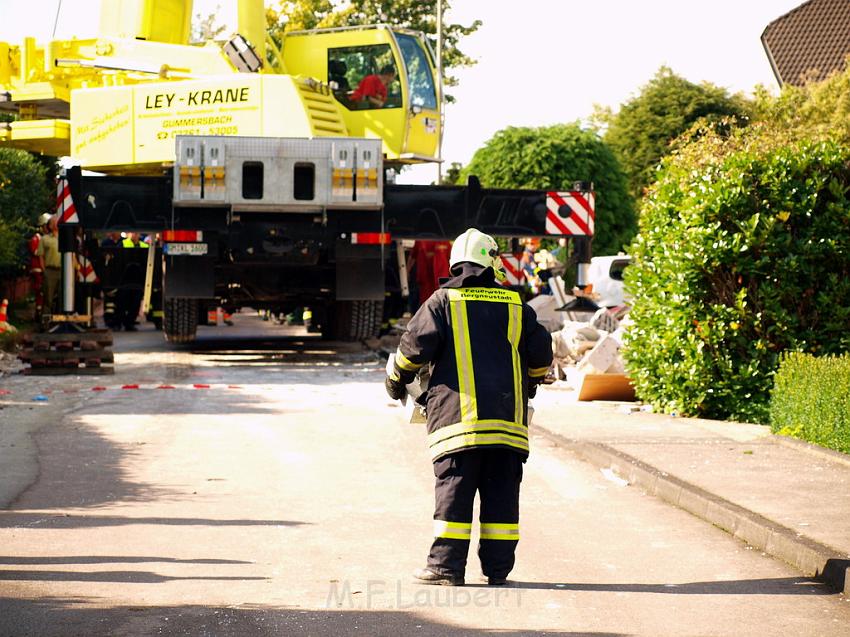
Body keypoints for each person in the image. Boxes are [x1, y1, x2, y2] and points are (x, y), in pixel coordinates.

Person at [385, 228, 553, 586]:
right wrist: (532, 383)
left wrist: (396, 381)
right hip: (508, 427)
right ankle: (497, 570)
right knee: (502, 500)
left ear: (455, 263)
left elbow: (412, 349)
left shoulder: (441, 301)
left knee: (454, 496)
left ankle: (445, 568)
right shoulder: (515, 304)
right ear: (492, 262)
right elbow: (541, 356)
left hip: (457, 426)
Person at [37, 215, 61, 317]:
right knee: (48, 297)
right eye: (54, 222)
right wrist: (44, 270)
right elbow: (41, 256)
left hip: (63, 270)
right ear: (50, 226)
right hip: (50, 270)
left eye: (57, 221)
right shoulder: (44, 239)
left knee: (62, 296)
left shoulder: (65, 238)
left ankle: (60, 318)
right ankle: (45, 320)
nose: (56, 223)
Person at [28, 213, 51, 321]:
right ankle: (39, 312)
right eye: (47, 226)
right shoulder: (35, 239)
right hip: (38, 268)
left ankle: (41, 311)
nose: (48, 228)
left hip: (44, 268)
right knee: (40, 291)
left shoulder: (44, 238)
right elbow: (36, 252)